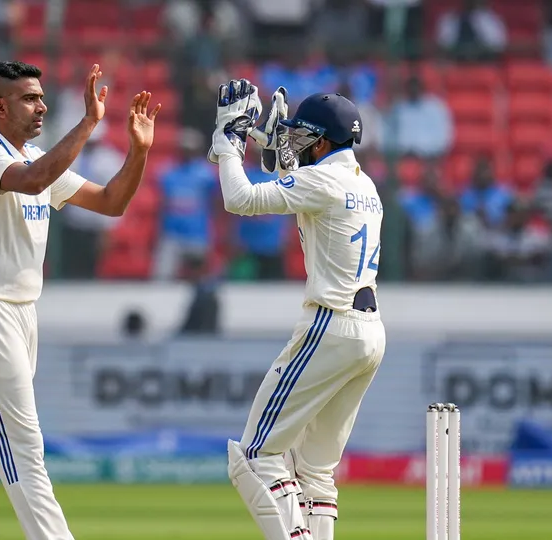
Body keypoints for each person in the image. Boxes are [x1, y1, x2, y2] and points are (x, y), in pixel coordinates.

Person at [0, 61, 161, 540]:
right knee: (24, 445)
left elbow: (112, 202)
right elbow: (32, 181)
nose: (41, 106)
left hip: (21, 312)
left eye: (41, 96)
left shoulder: (38, 159)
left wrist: (139, 151)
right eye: (29, 98)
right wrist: (90, 122)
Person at [208, 81, 386, 540]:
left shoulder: (322, 181)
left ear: (322, 142)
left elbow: (239, 199)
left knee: (255, 456)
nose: (293, 143)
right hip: (369, 333)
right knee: (314, 472)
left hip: (330, 325)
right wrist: (276, 148)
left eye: (301, 137)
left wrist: (230, 139)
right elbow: (306, 203)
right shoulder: (364, 185)